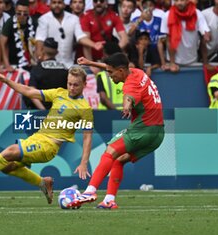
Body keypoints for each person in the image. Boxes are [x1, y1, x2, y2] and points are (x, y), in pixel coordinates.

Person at [0, 66, 94, 204]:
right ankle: (42, 182)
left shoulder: (84, 108)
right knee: (7, 167)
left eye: (76, 85)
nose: (71, 88)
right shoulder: (59, 93)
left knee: (10, 151)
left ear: (84, 84)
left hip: (49, 146)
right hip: (37, 138)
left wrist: (83, 163)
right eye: (69, 84)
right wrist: (6, 81)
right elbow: (29, 91)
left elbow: (87, 137)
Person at [68, 53, 164, 209]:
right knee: (119, 160)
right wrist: (89, 62)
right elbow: (110, 68)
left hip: (142, 129)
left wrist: (127, 106)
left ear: (120, 71)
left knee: (109, 152)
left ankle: (90, 191)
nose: (109, 76)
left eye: (111, 73)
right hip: (158, 134)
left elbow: (129, 96)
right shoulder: (137, 72)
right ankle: (109, 200)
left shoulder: (130, 85)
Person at [28, 37, 68, 110]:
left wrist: (43, 110)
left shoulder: (37, 69)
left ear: (42, 50)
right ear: (57, 52)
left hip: (41, 114)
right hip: (61, 112)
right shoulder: (65, 69)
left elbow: (31, 92)